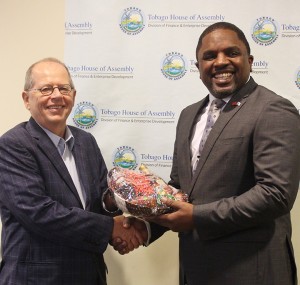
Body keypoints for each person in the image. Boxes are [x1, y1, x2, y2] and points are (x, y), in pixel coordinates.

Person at [145, 22, 300, 285]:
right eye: (209, 56)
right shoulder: (187, 115)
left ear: (249, 61)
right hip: (196, 270)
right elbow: (180, 188)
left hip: (253, 271)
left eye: (231, 53)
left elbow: (275, 194)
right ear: (197, 68)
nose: (220, 62)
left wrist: (196, 216)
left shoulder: (273, 109)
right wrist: (146, 225)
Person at [0, 57, 147, 285]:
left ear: (74, 96)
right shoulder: (13, 145)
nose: (56, 95)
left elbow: (99, 202)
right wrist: (111, 228)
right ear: (26, 99)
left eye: (64, 88)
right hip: (37, 278)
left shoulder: (86, 141)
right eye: (46, 89)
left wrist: (116, 199)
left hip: (89, 275)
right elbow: (39, 213)